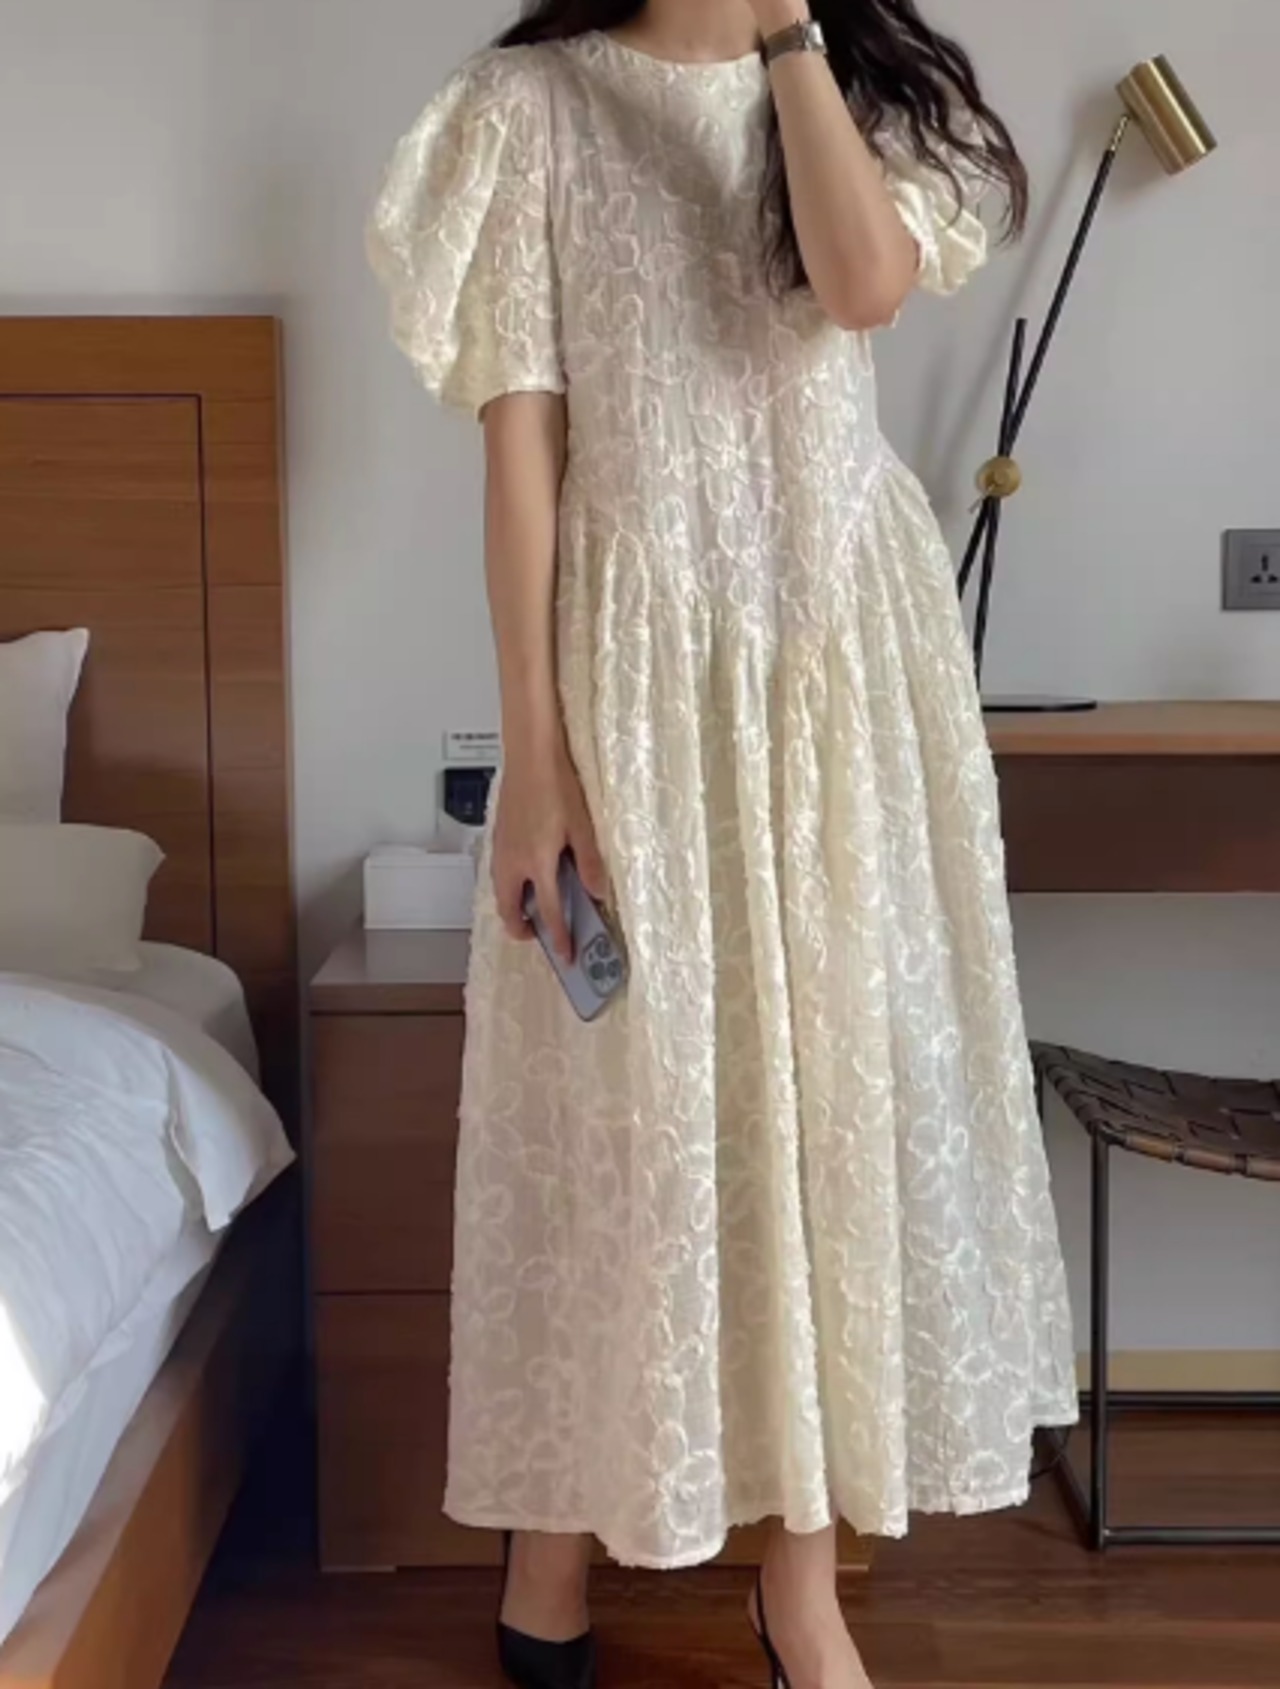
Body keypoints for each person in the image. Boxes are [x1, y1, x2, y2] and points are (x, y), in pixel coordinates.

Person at [368, 1, 1077, 1684]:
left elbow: (863, 285)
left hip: (836, 662)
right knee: (625, 1105)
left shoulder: (854, 87)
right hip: (639, 668)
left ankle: (800, 1585)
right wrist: (534, 758)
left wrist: (789, 38)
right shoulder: (524, 109)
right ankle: (553, 1541)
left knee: (831, 1101)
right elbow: (523, 457)